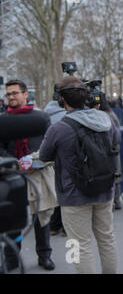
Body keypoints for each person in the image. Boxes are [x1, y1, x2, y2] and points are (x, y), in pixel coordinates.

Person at [39, 76, 119, 273]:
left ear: (61, 99)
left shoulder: (58, 128)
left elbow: (44, 156)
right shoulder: (106, 120)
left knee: (78, 245)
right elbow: (116, 141)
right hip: (104, 190)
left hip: (73, 195)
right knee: (107, 239)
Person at [0, 79, 55, 272]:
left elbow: (49, 145)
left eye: (15, 93)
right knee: (12, 220)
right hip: (10, 177)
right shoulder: (3, 119)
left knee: (42, 218)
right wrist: (16, 165)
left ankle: (44, 255)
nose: (11, 97)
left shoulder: (40, 118)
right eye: (8, 94)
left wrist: (33, 163)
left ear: (25, 94)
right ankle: (12, 258)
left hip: (38, 175)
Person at [43, 84, 68, 237]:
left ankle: (53, 225)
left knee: (54, 192)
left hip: (50, 158)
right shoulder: (68, 115)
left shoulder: (44, 114)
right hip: (66, 159)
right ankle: (64, 227)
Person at [96, 92, 123, 210]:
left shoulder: (106, 116)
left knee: (113, 176)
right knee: (115, 175)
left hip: (110, 150)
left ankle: (114, 201)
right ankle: (116, 201)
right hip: (113, 149)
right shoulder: (110, 113)